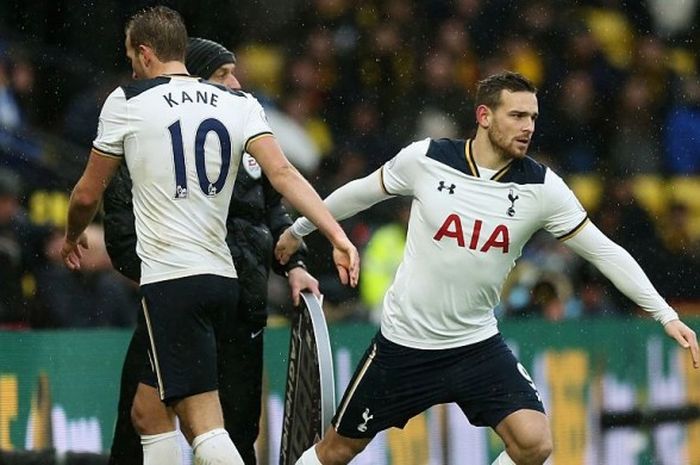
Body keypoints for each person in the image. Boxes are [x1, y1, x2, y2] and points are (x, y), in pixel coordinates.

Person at [275, 71, 699, 465]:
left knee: (535, 443)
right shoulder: (428, 159)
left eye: (533, 116)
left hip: (475, 345)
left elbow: (604, 252)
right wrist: (300, 229)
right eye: (516, 115)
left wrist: (664, 313)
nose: (528, 126)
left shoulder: (542, 187)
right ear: (484, 116)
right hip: (405, 344)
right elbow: (360, 194)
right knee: (336, 450)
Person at [61, 6, 359, 465]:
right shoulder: (241, 105)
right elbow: (282, 174)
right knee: (148, 412)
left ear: (142, 53)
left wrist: (71, 234)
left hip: (171, 281)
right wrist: (336, 235)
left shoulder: (129, 100)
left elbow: (86, 193)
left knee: (205, 427)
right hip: (224, 281)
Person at [105, 36, 319, 465]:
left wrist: (294, 263)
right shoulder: (150, 144)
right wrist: (161, 275)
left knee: (233, 428)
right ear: (197, 85)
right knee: (143, 422)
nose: (237, 83)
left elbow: (271, 213)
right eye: (223, 75)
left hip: (236, 309)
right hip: (175, 301)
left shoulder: (247, 138)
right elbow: (121, 233)